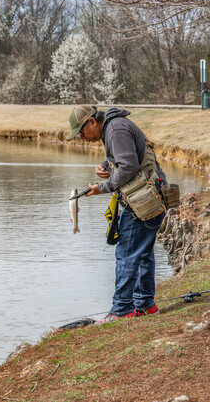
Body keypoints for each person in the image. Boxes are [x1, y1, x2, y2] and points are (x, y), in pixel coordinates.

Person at [66, 105, 168, 324]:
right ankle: (145, 305)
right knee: (142, 254)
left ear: (92, 122)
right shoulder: (114, 127)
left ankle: (121, 310)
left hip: (143, 204)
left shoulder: (115, 129)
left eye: (82, 132)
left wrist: (100, 188)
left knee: (126, 255)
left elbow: (129, 166)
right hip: (149, 200)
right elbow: (127, 156)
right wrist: (105, 165)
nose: (83, 137)